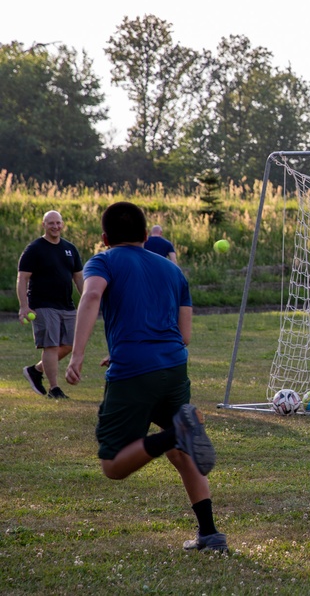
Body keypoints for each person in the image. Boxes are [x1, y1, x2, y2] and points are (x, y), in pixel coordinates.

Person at [65, 201, 227, 552]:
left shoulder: (103, 260)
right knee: (182, 451)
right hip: (173, 366)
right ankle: (210, 535)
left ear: (105, 238)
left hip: (135, 371)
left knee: (113, 465)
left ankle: (177, 432)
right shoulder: (172, 270)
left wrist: (77, 354)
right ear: (144, 234)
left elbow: (92, 294)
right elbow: (184, 335)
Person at [18, 209, 84, 400]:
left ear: (62, 224)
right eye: (51, 223)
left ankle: (36, 370)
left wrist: (89, 298)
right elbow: (22, 278)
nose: (55, 226)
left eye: (58, 223)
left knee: (71, 344)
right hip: (43, 304)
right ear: (44, 225)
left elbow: (78, 277)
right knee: (51, 345)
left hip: (66, 304)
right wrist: (24, 306)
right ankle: (54, 389)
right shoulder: (35, 248)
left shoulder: (70, 249)